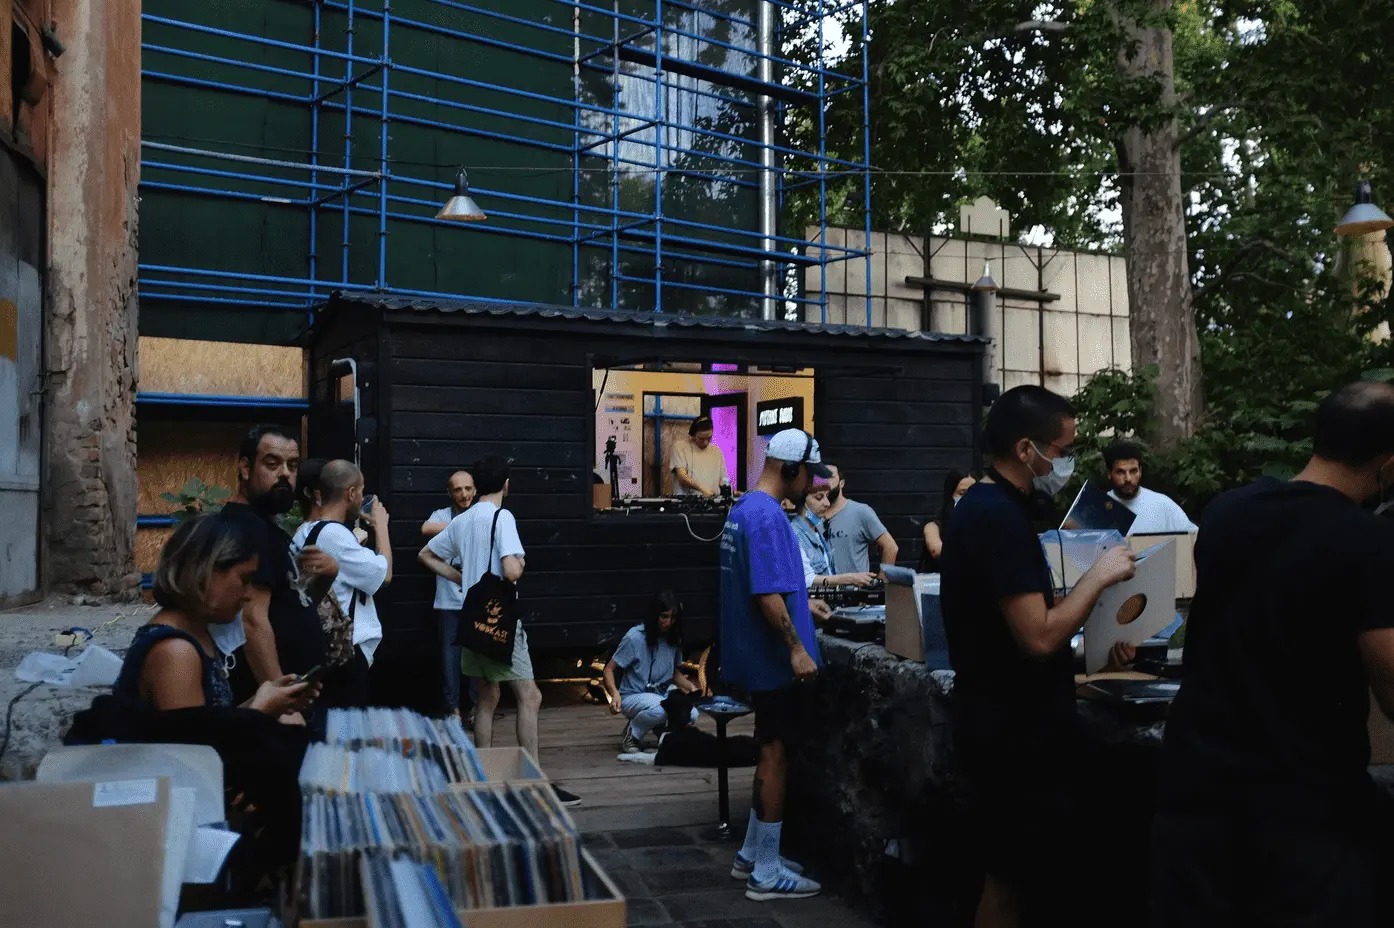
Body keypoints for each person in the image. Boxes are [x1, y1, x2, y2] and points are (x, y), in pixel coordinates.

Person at [1150, 381, 1394, 928]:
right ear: (1387, 463)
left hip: (1196, 795)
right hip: (1302, 812)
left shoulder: (1226, 512)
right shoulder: (1367, 541)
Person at [940, 385, 1136, 927]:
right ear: (1028, 450)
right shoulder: (997, 518)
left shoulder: (994, 509)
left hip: (1008, 718)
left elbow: (1025, 611)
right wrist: (1098, 578)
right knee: (1008, 877)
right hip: (1010, 730)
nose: (1066, 461)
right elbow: (1039, 636)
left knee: (1017, 874)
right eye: (1064, 447)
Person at [418, 455, 581, 807]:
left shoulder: (463, 520)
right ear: (506, 484)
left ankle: (484, 780)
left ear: (476, 486)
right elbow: (510, 570)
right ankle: (534, 784)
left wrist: (461, 579)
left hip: (471, 619)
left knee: (488, 699)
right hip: (502, 621)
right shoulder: (502, 516)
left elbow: (426, 555)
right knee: (530, 697)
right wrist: (519, 564)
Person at [720, 427, 827, 901]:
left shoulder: (744, 510)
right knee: (775, 754)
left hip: (754, 657)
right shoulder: (767, 517)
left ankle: (752, 853)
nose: (813, 484)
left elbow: (769, 587)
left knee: (769, 749)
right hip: (774, 662)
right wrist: (797, 647)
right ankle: (766, 871)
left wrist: (805, 604)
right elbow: (766, 594)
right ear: (790, 469)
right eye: (809, 475)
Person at [115, 513, 315, 719]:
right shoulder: (175, 651)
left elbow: (211, 721)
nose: (247, 595)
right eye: (244, 580)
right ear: (205, 572)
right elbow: (194, 746)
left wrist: (271, 701)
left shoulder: (197, 634)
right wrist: (260, 710)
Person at [219, 425, 333, 706]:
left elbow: (291, 605)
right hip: (270, 705)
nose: (285, 473)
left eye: (292, 466)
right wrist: (282, 702)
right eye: (272, 463)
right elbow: (252, 620)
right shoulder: (247, 528)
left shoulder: (265, 528)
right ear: (245, 468)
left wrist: (326, 575)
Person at [291, 460, 392, 709]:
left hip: (319, 645)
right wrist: (381, 527)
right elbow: (385, 574)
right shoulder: (335, 535)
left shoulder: (304, 531)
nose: (362, 497)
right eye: (361, 490)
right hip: (344, 652)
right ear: (351, 493)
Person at [602, 590, 700, 754]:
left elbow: (673, 672)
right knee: (662, 708)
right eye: (664, 616)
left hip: (660, 694)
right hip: (632, 696)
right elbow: (609, 670)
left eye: (673, 617)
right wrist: (614, 694)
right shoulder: (634, 637)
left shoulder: (674, 638)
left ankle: (660, 730)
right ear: (654, 615)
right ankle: (632, 735)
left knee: (692, 713)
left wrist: (691, 687)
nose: (668, 622)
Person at [421, 470, 477, 717]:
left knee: (477, 658)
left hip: (476, 600)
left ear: (475, 490)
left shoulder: (482, 513)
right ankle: (453, 709)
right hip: (448, 602)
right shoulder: (442, 515)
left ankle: (477, 708)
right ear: (449, 492)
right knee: (449, 661)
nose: (464, 494)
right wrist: (461, 526)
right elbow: (426, 529)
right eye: (458, 489)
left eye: (468, 488)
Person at [820, 464, 899, 575]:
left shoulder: (860, 512)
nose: (825, 482)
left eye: (830, 477)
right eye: (821, 477)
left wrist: (881, 583)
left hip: (854, 590)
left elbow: (891, 547)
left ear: (841, 483)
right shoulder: (811, 514)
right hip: (820, 589)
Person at [1103, 440, 1197, 534]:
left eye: (1133, 471)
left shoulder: (1162, 505)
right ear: (1109, 474)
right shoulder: (1100, 508)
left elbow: (1194, 537)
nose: (1128, 479)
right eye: (1120, 472)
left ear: (1140, 471)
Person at [792, 486, 874, 590]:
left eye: (827, 497)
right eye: (819, 498)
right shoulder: (794, 533)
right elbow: (806, 579)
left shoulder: (817, 532)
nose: (827, 503)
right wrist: (850, 579)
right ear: (803, 501)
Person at [918, 469, 978, 573]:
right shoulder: (933, 526)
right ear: (951, 494)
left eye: (973, 493)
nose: (968, 499)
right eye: (962, 493)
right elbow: (936, 550)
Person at [671, 416, 731, 497]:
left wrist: (731, 492)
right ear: (692, 435)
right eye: (701, 439)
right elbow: (682, 476)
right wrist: (702, 489)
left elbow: (723, 480)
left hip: (713, 502)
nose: (706, 442)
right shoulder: (680, 447)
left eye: (709, 438)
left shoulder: (717, 451)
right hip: (688, 503)